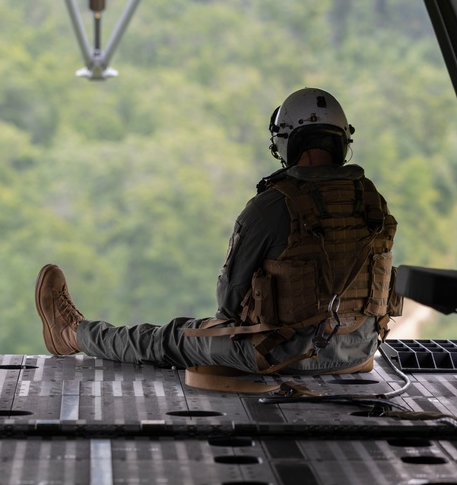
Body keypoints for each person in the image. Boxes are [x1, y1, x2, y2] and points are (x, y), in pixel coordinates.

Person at [35, 88, 401, 378]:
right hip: (359, 350)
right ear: (341, 143)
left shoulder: (274, 205)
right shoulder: (372, 201)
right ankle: (72, 334)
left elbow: (227, 303)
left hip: (282, 356)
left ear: (287, 143)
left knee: (170, 338)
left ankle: (72, 334)